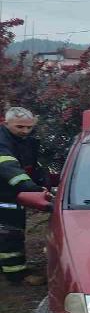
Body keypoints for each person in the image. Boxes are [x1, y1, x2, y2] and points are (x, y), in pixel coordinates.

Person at [0, 107, 52, 284]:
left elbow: (31, 165)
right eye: (20, 127)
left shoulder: (22, 140)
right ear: (6, 123)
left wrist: (44, 182)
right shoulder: (2, 141)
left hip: (10, 193)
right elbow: (9, 169)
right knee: (10, 233)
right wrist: (34, 190)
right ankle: (17, 275)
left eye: (29, 127)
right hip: (5, 195)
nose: (25, 131)